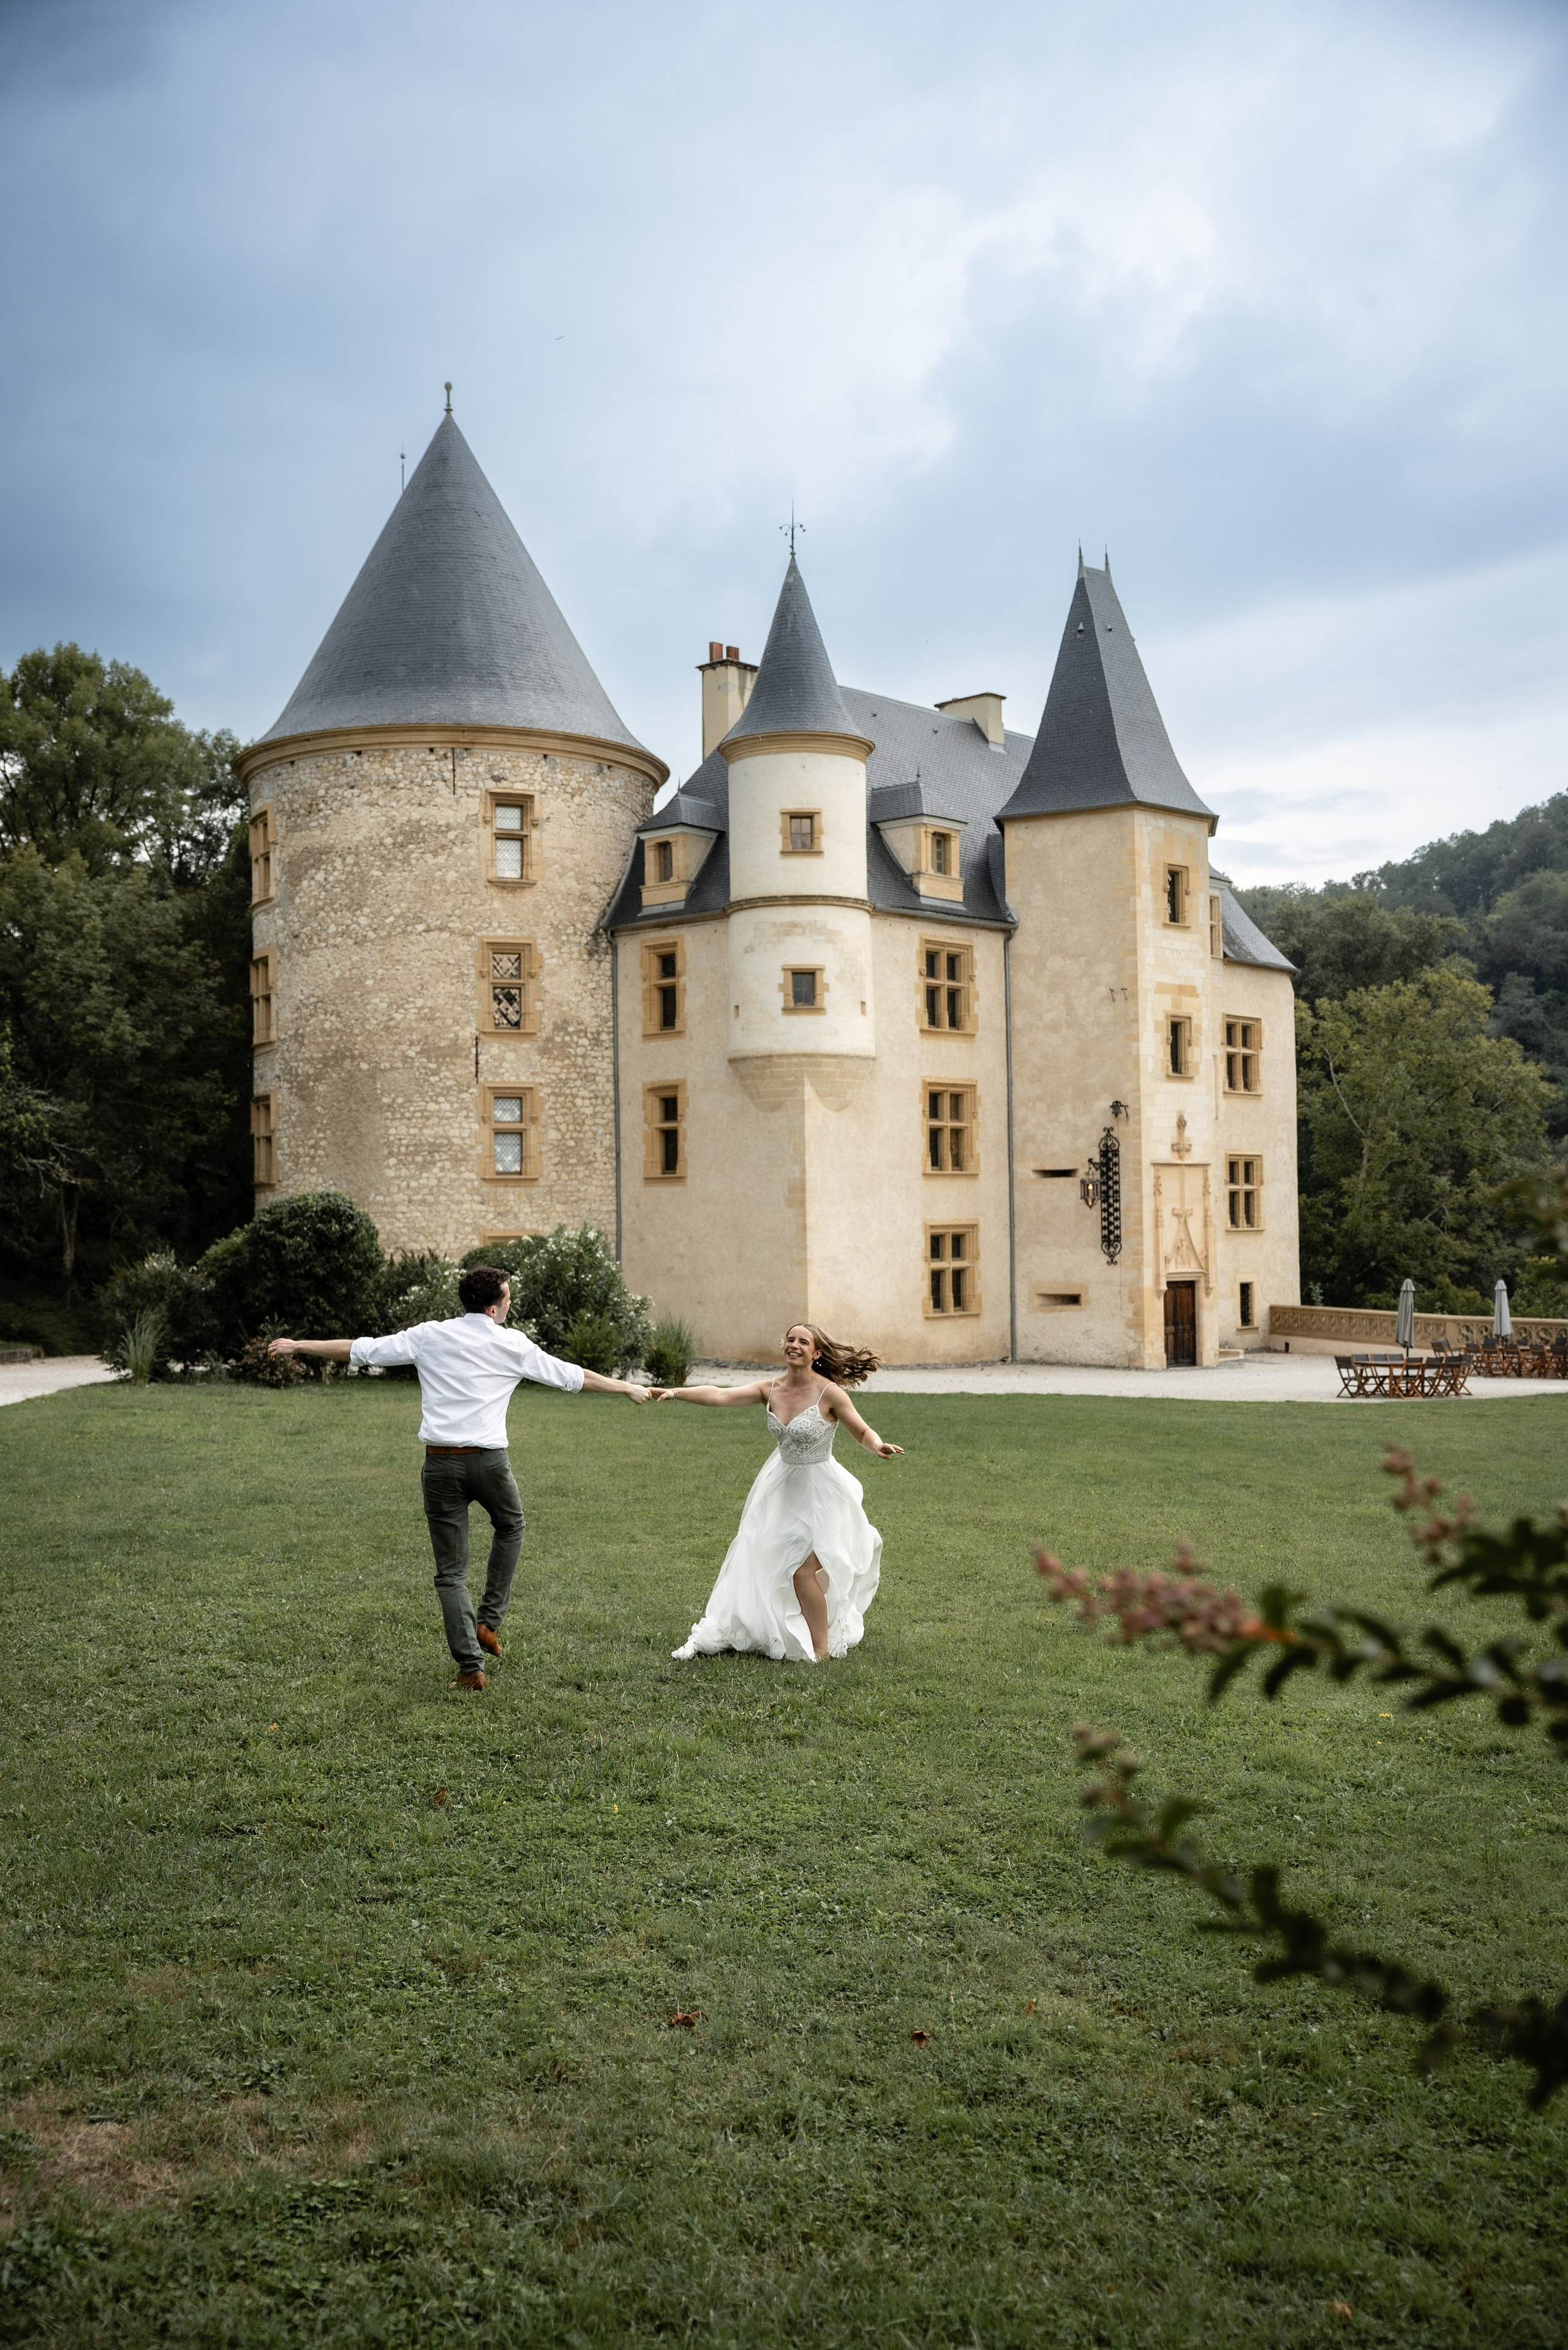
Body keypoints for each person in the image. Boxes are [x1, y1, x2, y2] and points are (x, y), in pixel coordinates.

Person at [268, 1267, 650, 1689]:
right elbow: (571, 1375)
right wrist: (624, 1387)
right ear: (493, 1307)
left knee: (451, 1572)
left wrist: (298, 1344)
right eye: (507, 1298)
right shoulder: (511, 1343)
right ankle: (489, 1621)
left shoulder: (431, 1334)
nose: (510, 1304)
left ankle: (472, 1667)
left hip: (440, 1465)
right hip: (490, 1464)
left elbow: (363, 1350)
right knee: (512, 1526)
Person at [658, 1322, 901, 1664]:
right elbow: (721, 1394)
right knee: (772, 1563)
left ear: (817, 1353)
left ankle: (820, 1652)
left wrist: (877, 1445)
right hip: (782, 1489)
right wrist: (677, 1392)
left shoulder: (829, 1393)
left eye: (804, 1342)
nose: (795, 1345)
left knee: (803, 1571)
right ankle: (775, 1628)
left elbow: (861, 1430)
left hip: (823, 1492)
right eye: (790, 1340)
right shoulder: (769, 1389)